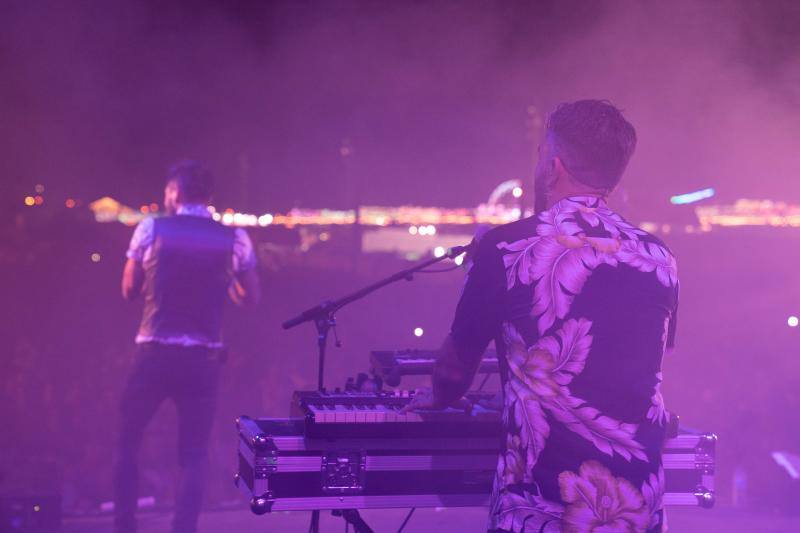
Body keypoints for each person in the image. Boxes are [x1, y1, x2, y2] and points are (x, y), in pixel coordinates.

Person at [406, 100, 678, 532]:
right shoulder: (659, 256)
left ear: (553, 167)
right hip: (636, 506)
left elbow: (455, 370)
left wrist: (438, 397)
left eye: (539, 156)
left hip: (543, 506)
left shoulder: (507, 248)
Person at [113, 161, 260, 533]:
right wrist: (222, 282)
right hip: (202, 358)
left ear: (175, 193)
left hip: (154, 353)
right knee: (194, 454)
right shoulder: (235, 238)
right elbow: (251, 297)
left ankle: (124, 526)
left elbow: (129, 290)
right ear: (208, 196)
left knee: (127, 442)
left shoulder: (151, 228)